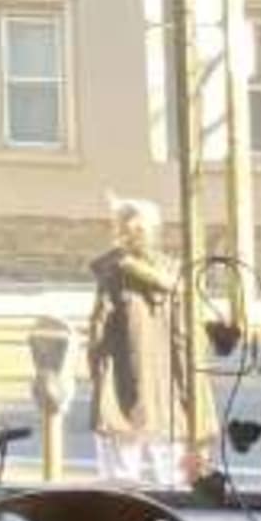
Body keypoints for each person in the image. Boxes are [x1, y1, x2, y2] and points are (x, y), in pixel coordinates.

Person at [86, 197, 178, 485]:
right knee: (169, 469)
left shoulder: (112, 271)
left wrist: (95, 364)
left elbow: (99, 328)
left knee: (122, 475)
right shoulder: (172, 272)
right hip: (165, 381)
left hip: (121, 376)